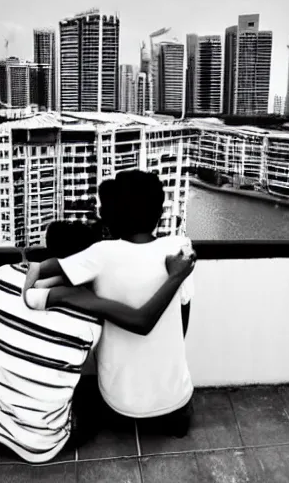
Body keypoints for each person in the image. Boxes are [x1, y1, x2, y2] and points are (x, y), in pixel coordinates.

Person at [0, 220, 196, 463]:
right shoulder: (87, 321)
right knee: (91, 401)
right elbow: (137, 324)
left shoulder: (2, 277)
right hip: (46, 446)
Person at [23, 170, 196, 437]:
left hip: (120, 406)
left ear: (112, 217)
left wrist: (36, 269)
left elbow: (44, 272)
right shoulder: (180, 248)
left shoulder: (101, 254)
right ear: (158, 214)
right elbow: (184, 317)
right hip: (177, 402)